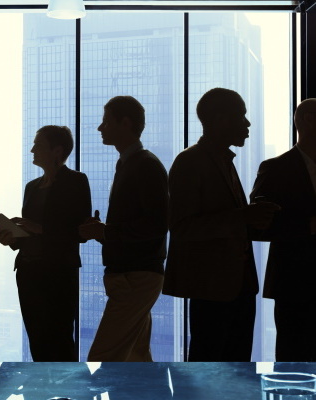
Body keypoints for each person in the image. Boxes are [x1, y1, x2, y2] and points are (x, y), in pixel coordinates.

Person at [162, 88, 280, 361]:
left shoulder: (223, 162)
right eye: (242, 116)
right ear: (221, 120)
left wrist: (254, 218)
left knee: (232, 367)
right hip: (212, 289)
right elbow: (181, 228)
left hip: (235, 287)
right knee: (210, 368)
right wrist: (244, 216)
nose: (248, 124)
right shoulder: (189, 162)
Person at [78, 95, 168, 361]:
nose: (100, 128)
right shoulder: (131, 164)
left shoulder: (145, 165)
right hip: (134, 275)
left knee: (103, 358)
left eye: (106, 121)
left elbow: (157, 223)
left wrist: (105, 232)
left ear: (125, 123)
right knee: (136, 358)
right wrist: (104, 230)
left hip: (136, 276)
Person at [0, 125, 91, 361]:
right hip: (28, 272)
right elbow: (29, 234)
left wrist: (39, 228)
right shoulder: (32, 187)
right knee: (37, 340)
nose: (32, 150)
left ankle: (65, 395)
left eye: (38, 145)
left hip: (58, 272)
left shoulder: (76, 181)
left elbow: (80, 232)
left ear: (57, 151)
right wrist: (12, 237)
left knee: (59, 340)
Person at [250, 98, 316, 361]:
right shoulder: (275, 168)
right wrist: (307, 226)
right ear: (308, 120)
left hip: (296, 283)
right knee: (295, 359)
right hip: (295, 285)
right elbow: (256, 225)